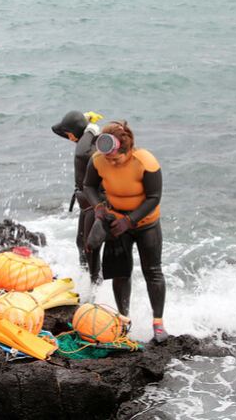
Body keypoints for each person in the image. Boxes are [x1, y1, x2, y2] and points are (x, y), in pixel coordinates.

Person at [82, 120, 168, 343]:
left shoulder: (145, 162)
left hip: (145, 223)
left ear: (128, 150)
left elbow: (154, 197)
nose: (111, 162)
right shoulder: (99, 160)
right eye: (108, 158)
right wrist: (99, 208)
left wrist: (131, 221)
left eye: (116, 158)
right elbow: (89, 186)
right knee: (120, 273)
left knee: (153, 271)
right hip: (115, 221)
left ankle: (158, 323)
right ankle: (123, 320)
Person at [51, 110, 103, 283]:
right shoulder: (83, 141)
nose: (68, 138)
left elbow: (80, 154)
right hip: (84, 205)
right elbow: (55, 129)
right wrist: (83, 123)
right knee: (81, 244)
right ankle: (85, 279)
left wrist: (89, 130)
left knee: (90, 248)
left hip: (93, 205)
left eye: (70, 134)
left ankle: (96, 285)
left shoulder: (91, 146)